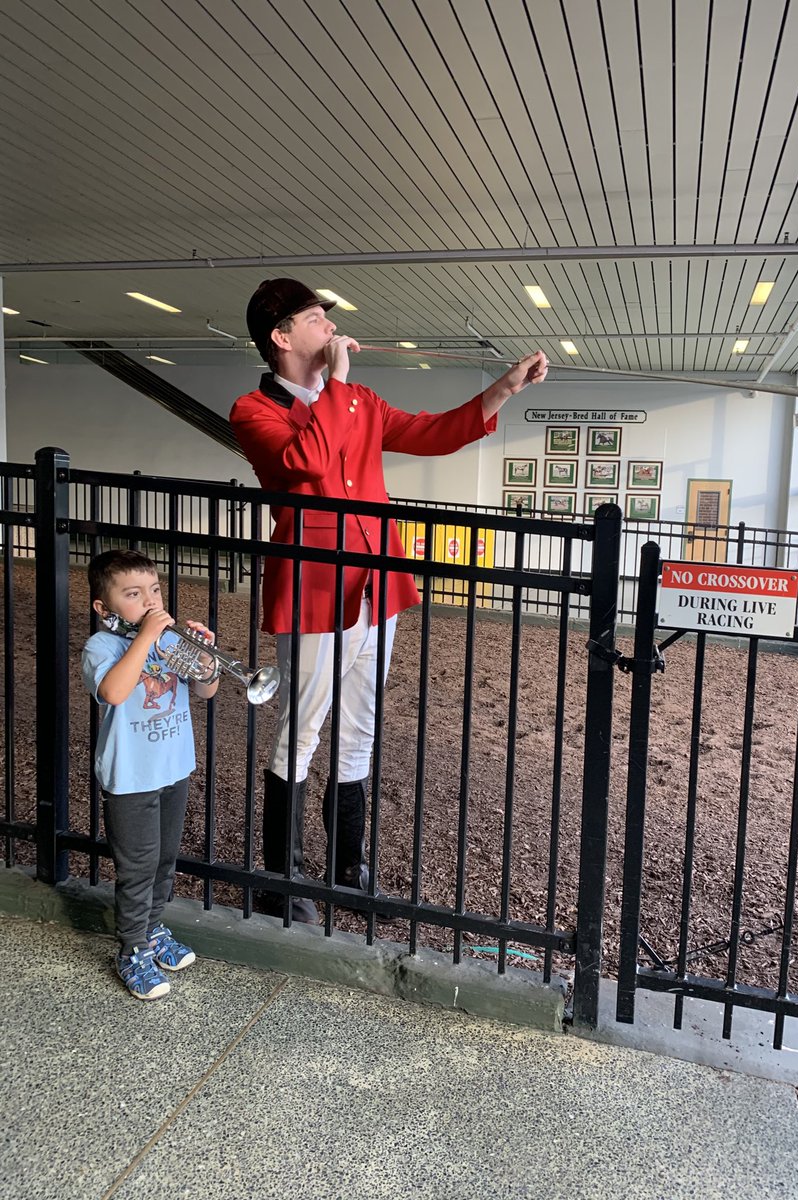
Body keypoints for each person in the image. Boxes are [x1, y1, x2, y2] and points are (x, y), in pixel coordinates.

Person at [230, 278, 548, 923]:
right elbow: (308, 462)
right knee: (302, 726)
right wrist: (338, 387)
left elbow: (431, 433)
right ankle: (278, 876)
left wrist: (504, 388)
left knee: (360, 726)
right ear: (281, 338)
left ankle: (348, 864)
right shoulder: (253, 410)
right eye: (315, 318)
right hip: (314, 588)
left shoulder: (359, 401)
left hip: (377, 583)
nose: (328, 326)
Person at [82, 549, 219, 1000]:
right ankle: (132, 949)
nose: (149, 601)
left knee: (163, 861)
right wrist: (146, 637)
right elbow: (115, 692)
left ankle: (153, 929)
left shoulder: (170, 641)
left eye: (154, 591)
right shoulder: (102, 647)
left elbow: (205, 689)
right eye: (134, 594)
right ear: (104, 608)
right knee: (137, 867)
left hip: (173, 767)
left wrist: (205, 657)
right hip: (131, 777)